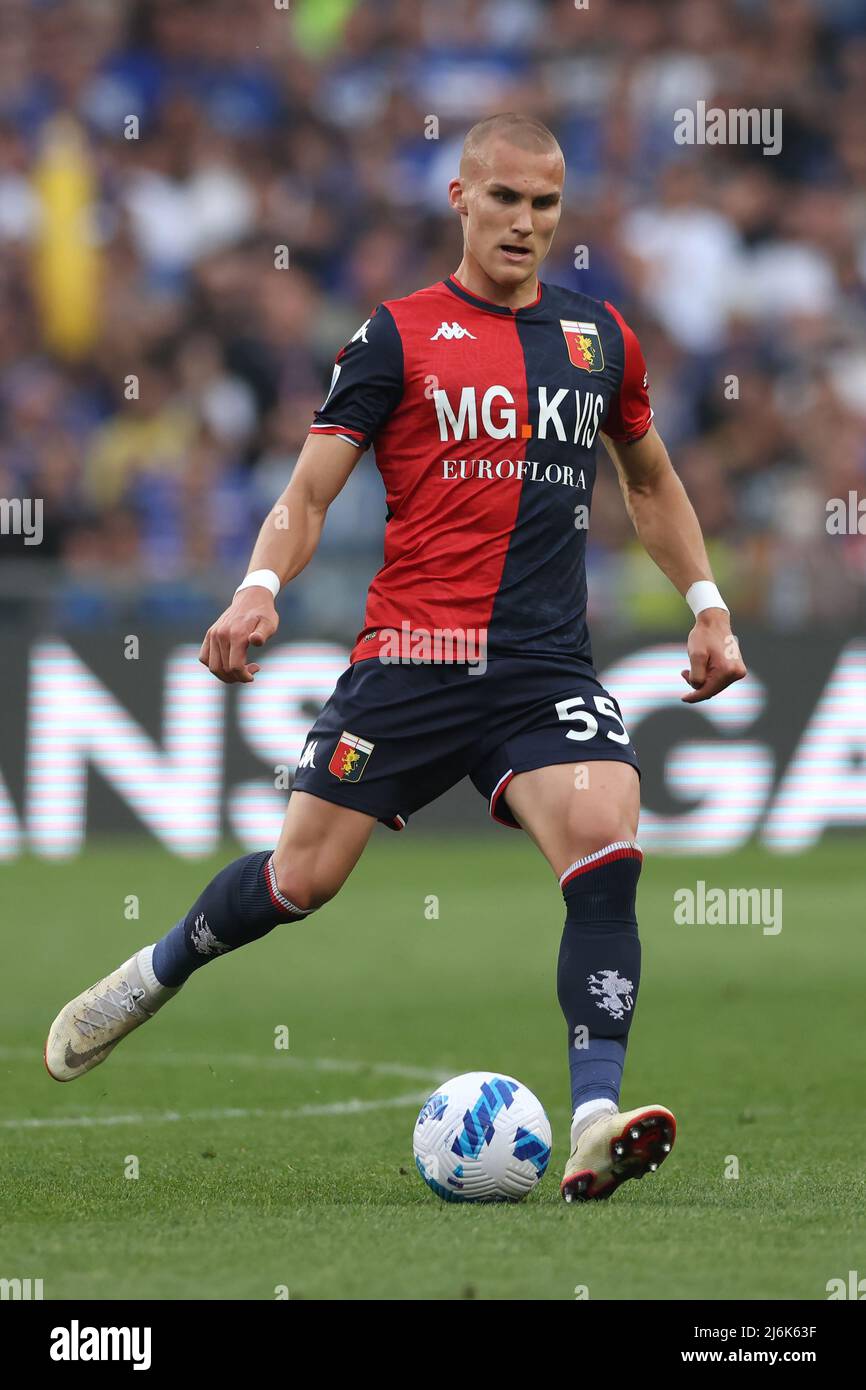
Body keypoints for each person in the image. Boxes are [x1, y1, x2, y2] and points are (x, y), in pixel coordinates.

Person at [46, 113, 746, 1202]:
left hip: (543, 666)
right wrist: (256, 588)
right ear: (459, 199)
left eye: (546, 204)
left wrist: (705, 603)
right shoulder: (394, 335)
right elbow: (311, 487)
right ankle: (151, 973)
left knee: (605, 849)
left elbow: (648, 483)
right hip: (411, 657)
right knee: (298, 879)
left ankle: (595, 1116)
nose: (525, 223)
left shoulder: (597, 337)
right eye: (505, 199)